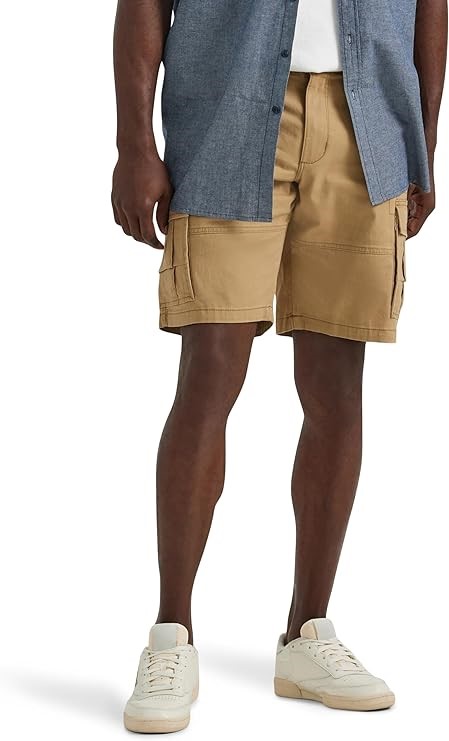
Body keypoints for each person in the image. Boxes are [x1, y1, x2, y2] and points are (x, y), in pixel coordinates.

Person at [112, 0, 447, 731]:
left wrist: (422, 141)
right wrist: (134, 142)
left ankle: (306, 634)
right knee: (210, 372)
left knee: (337, 388)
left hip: (368, 125)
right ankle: (171, 634)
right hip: (225, 118)